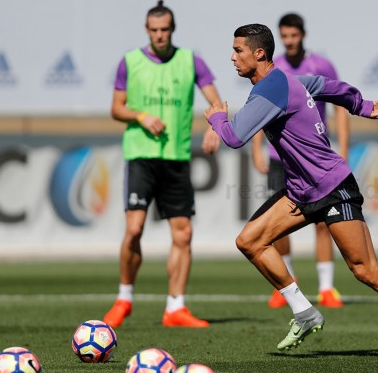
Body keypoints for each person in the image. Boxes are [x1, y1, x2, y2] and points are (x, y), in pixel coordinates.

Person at [205, 23, 378, 356]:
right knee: (249, 241)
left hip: (333, 186)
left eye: (238, 50)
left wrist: (218, 117)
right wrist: (361, 105)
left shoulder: (271, 89)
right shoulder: (287, 81)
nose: (232, 57)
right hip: (301, 192)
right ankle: (304, 312)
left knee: (365, 270)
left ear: (259, 53)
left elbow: (234, 137)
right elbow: (326, 86)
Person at [103, 0, 222, 328]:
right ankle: (124, 299)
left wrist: (215, 126)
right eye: (154, 30)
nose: (159, 35)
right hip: (141, 155)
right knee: (134, 229)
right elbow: (116, 107)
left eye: (164, 29)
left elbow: (216, 102)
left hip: (177, 157)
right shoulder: (130, 62)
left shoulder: (190, 61)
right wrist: (141, 115)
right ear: (147, 30)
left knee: (183, 234)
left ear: (172, 29)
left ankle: (175, 307)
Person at [251, 12, 350, 309]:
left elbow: (340, 105)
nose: (290, 41)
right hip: (280, 155)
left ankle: (327, 287)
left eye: (294, 36)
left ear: (303, 35)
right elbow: (259, 108)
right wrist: (257, 148)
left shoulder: (320, 65)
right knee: (279, 224)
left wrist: (343, 146)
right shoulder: (275, 67)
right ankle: (287, 281)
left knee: (324, 221)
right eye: (285, 37)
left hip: (315, 155)